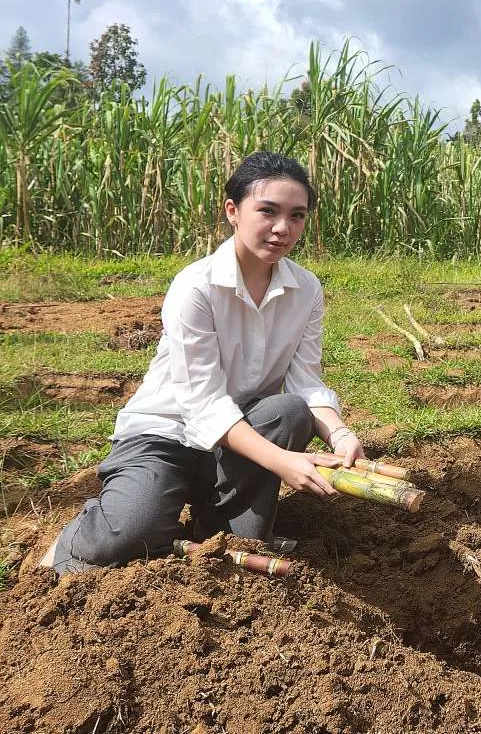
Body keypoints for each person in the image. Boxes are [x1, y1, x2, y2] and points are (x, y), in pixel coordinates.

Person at [41, 151, 362, 575]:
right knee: (129, 533)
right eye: (267, 211)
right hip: (164, 434)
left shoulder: (305, 289)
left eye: (297, 216)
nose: (283, 228)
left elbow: (305, 382)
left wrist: (338, 434)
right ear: (233, 210)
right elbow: (203, 406)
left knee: (288, 412)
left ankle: (208, 530)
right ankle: (77, 540)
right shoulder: (196, 286)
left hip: (241, 435)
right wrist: (282, 462)